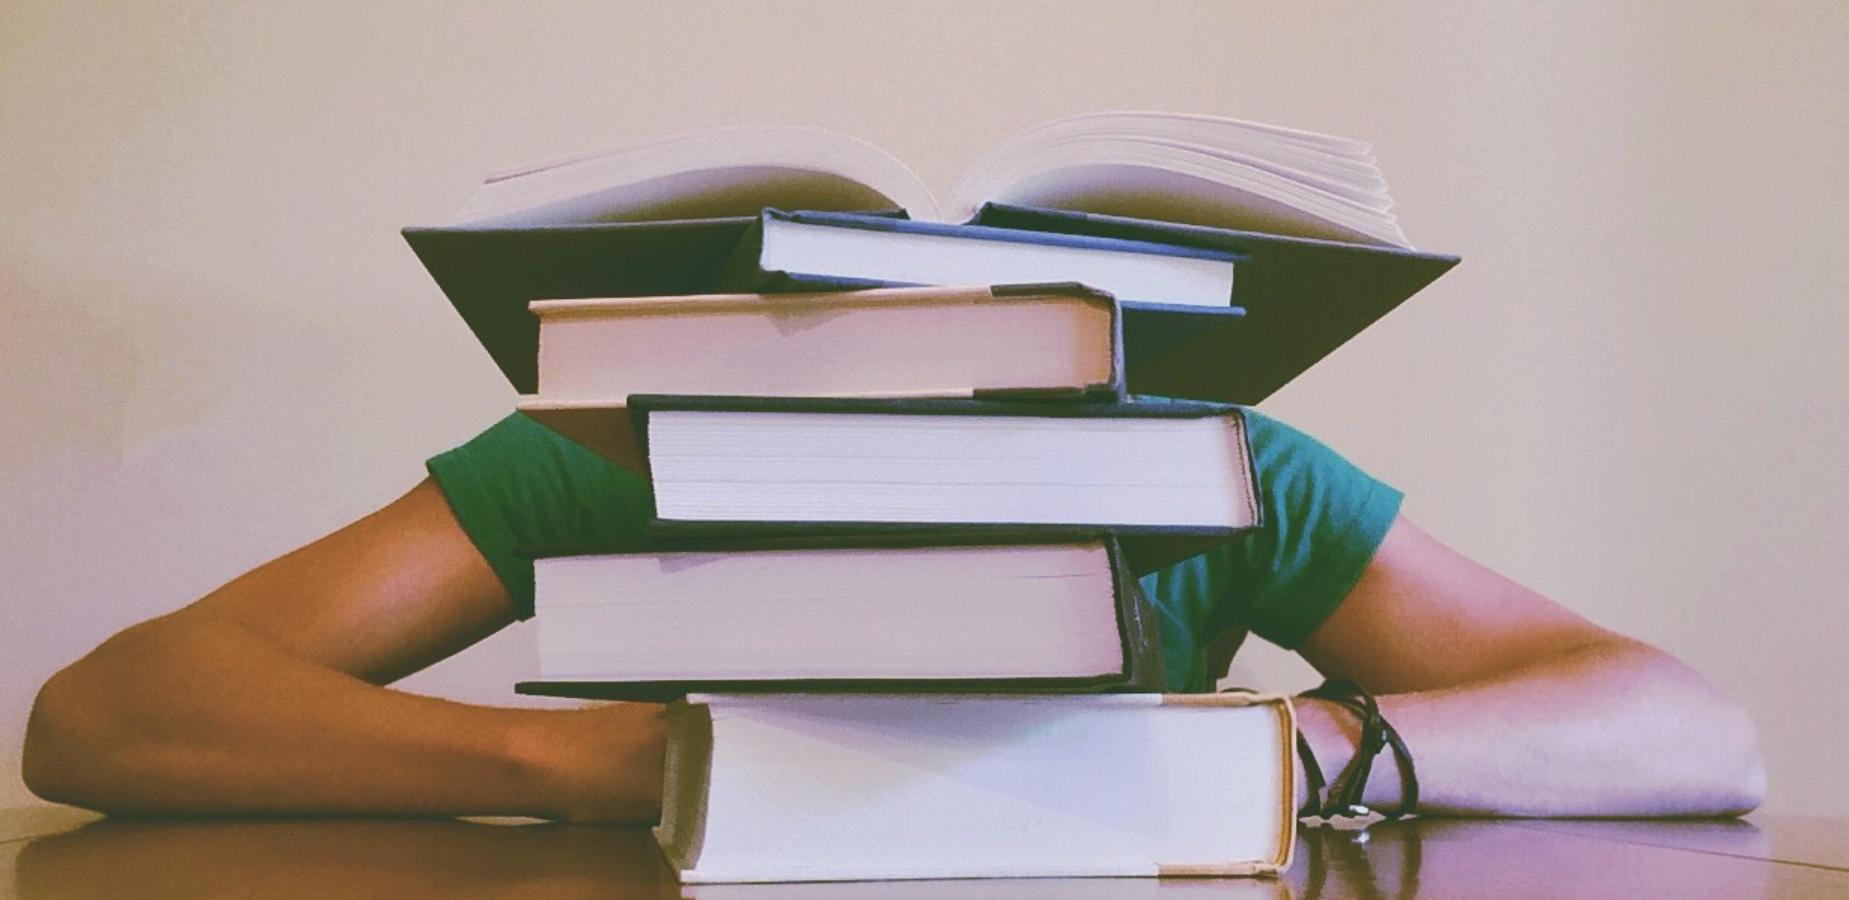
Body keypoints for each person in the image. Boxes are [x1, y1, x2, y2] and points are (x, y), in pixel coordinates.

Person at [21, 410, 1765, 822]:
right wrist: (628, 765)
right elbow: (105, 713)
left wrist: (1296, 750)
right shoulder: (624, 447)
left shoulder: (1211, 472)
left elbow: (1689, 728)